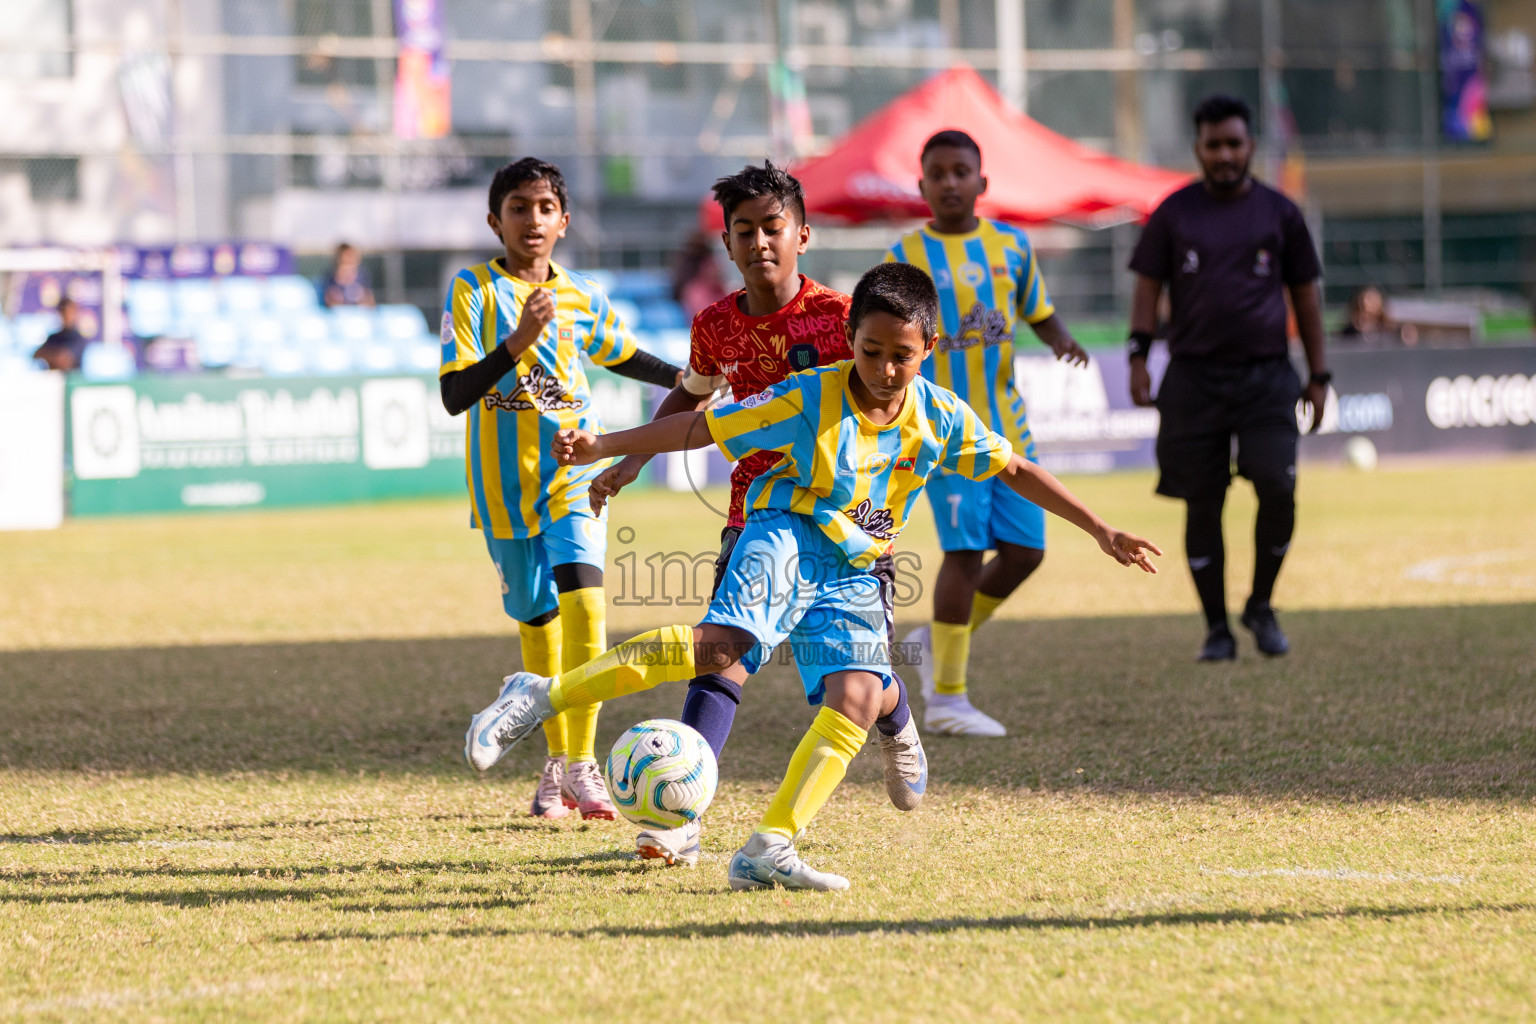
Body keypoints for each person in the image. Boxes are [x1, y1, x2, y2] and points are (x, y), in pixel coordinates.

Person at [465, 262, 1162, 891]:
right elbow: (706, 428)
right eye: (871, 352)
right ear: (849, 338)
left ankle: (769, 845)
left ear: (931, 350)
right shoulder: (808, 397)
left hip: (855, 568)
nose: (885, 370)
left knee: (858, 692)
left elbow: (1014, 467)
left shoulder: (941, 417)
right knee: (721, 648)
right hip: (785, 533)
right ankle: (541, 695)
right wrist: (607, 445)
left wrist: (1101, 529)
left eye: (903, 357)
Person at [585, 160, 917, 869]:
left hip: (846, 528)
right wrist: (634, 458)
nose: (760, 241)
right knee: (719, 657)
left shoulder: (841, 318)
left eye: (774, 226)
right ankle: (680, 818)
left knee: (851, 685)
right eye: (745, 230)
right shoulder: (714, 326)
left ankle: (898, 716)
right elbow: (688, 400)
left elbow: (898, 403)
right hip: (758, 519)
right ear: (728, 245)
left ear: (804, 233)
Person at [440, 157, 681, 818]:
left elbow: (622, 352)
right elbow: (455, 395)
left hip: (574, 472)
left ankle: (581, 763)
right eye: (519, 207)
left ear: (565, 221)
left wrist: (691, 378)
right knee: (537, 622)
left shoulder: (580, 293)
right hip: (501, 489)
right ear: (496, 220)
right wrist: (518, 341)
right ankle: (555, 765)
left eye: (546, 208)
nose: (533, 220)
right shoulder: (472, 292)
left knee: (586, 609)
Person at [885, 129, 1091, 738]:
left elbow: (1037, 310)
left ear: (982, 183)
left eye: (960, 172)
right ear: (922, 186)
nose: (950, 182)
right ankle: (948, 699)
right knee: (965, 555)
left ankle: (938, 640)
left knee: (1027, 552)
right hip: (941, 430)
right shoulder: (906, 253)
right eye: (938, 174)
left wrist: (1063, 342)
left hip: (1008, 429)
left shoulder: (1012, 246)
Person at [1126, 94, 1329, 662]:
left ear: (1250, 147)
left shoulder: (1280, 213)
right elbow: (1147, 287)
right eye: (1213, 145)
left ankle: (1261, 606)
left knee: (1279, 487)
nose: (1224, 154)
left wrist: (1319, 373)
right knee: (1202, 501)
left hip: (1268, 378)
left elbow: (1306, 297)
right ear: (1199, 149)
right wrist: (1139, 355)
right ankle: (1217, 628)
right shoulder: (1174, 213)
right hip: (1193, 379)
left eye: (1234, 144)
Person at [32, 298, 88, 371]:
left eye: (69, 312)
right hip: (54, 380)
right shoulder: (53, 338)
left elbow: (63, 359)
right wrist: (52, 355)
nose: (66, 316)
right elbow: (36, 354)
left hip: (72, 381)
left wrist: (48, 355)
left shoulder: (78, 339)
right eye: (63, 312)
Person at [321, 243, 376, 308]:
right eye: (344, 263)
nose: (347, 267)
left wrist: (361, 299)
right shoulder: (330, 277)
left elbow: (371, 303)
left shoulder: (363, 276)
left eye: (350, 262)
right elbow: (328, 302)